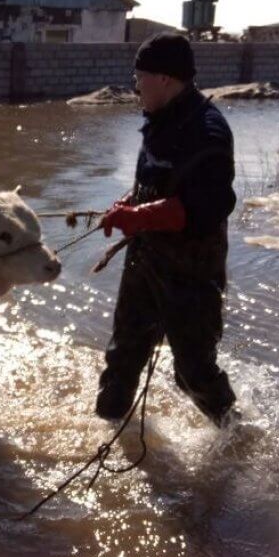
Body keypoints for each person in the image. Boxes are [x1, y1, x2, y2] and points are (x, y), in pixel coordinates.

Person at [95, 33, 238, 427]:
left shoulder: (208, 132)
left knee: (191, 371)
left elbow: (199, 209)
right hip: (145, 260)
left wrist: (137, 218)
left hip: (191, 272)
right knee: (122, 354)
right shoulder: (158, 119)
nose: (135, 86)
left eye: (139, 77)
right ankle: (108, 430)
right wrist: (127, 206)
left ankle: (235, 436)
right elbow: (154, 184)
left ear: (164, 78)